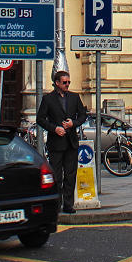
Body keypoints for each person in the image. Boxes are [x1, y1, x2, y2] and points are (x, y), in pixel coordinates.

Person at [35, 69, 87, 214]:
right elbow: (40, 119)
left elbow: (83, 115)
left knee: (70, 175)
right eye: (64, 82)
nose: (67, 85)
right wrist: (54, 128)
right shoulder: (48, 99)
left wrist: (73, 123)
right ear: (57, 83)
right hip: (56, 143)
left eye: (69, 82)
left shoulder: (74, 97)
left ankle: (68, 204)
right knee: (56, 175)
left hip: (71, 142)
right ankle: (56, 204)